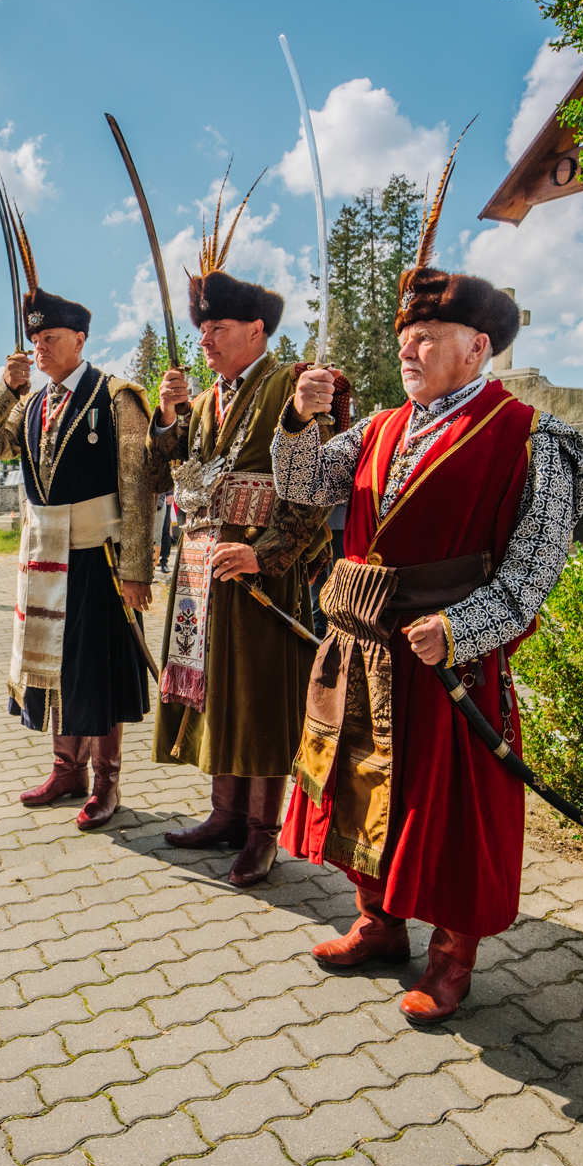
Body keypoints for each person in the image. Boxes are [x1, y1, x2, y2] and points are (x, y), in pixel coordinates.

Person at [274, 250, 583, 1022]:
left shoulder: (531, 438)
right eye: (404, 335)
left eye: (425, 334)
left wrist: (460, 627)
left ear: (477, 347)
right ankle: (380, 923)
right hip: (363, 648)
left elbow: (533, 572)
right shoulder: (380, 427)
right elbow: (303, 486)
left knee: (448, 813)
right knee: (360, 788)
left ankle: (452, 956)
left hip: (451, 658)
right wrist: (297, 421)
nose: (407, 348)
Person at [150, 192, 340, 887]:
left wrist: (264, 554)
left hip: (261, 573)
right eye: (202, 329)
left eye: (218, 327)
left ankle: (263, 832)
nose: (205, 339)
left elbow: (312, 488)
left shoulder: (294, 386)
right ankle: (224, 813)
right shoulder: (204, 399)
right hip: (203, 571)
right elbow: (172, 471)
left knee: (259, 701)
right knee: (215, 695)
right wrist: (168, 416)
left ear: (257, 329)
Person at [0, 285, 159, 829]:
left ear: (80, 338)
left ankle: (107, 783)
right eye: (34, 340)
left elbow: (137, 485)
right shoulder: (30, 402)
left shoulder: (117, 396)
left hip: (100, 559)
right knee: (53, 666)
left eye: (49, 338)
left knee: (96, 673)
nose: (39, 349)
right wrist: (6, 388)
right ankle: (66, 770)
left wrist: (136, 569)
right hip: (45, 557)